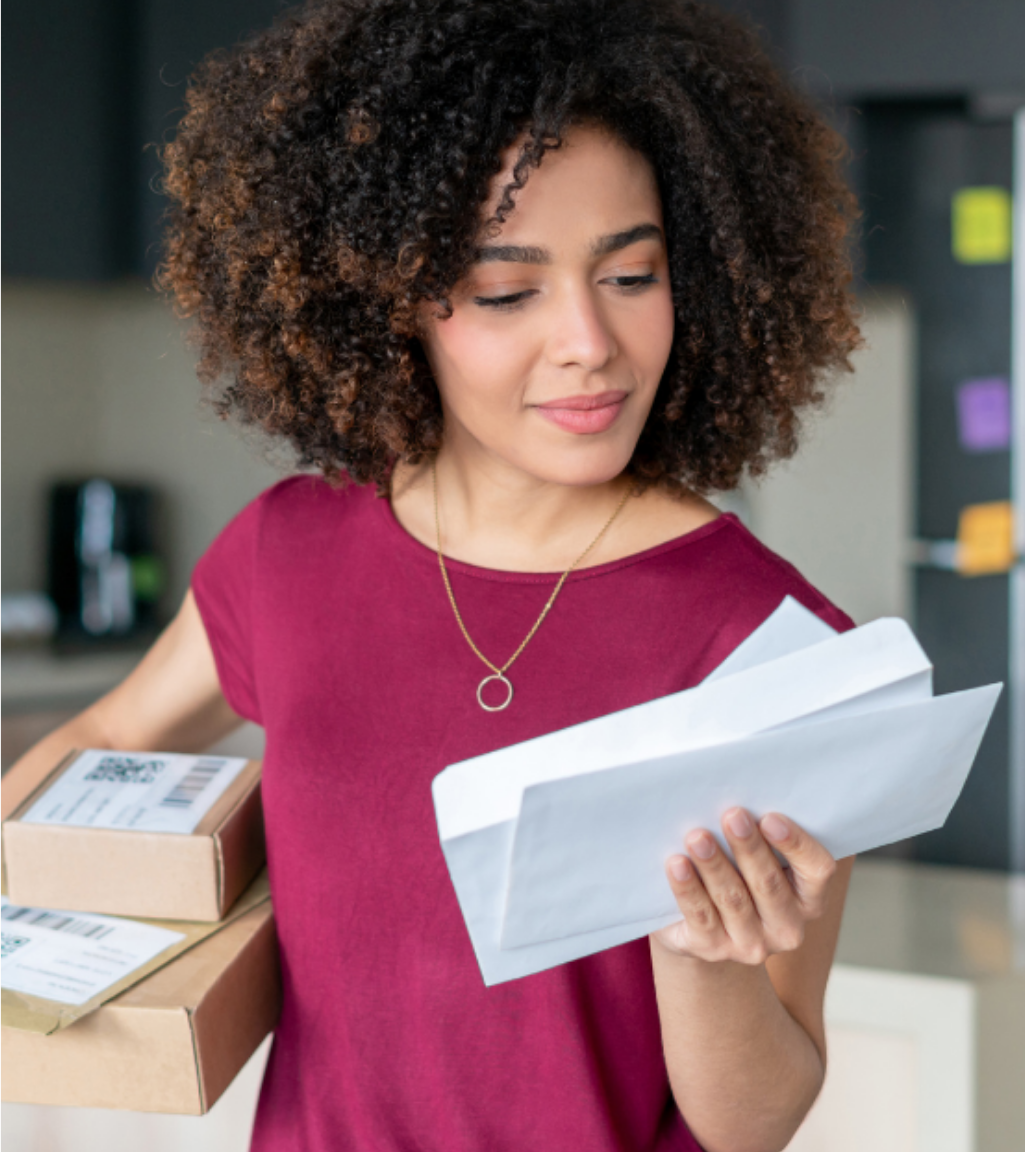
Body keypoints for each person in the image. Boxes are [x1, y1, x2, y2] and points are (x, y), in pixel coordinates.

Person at [7, 1, 866, 1148]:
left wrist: (704, 962)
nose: (587, 343)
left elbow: (754, 1120)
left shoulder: (769, 647)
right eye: (508, 291)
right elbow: (100, 749)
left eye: (631, 274)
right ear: (387, 299)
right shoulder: (289, 551)